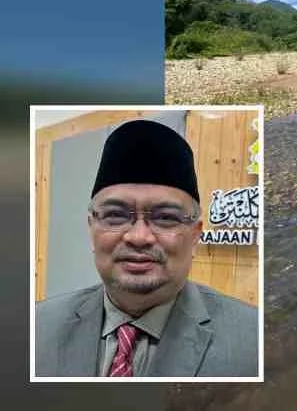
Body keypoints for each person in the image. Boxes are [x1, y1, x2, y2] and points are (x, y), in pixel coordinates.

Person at [34, 119, 258, 378]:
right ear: (91, 227)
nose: (139, 237)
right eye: (116, 215)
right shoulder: (37, 328)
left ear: (195, 235)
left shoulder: (254, 343)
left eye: (165, 217)